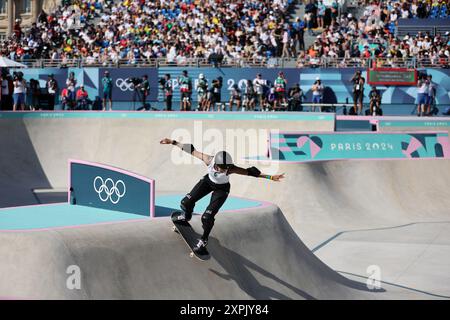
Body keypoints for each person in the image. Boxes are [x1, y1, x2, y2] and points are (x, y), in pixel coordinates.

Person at [159, 138, 285, 252]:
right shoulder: (208, 159)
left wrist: (271, 177)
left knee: (206, 218)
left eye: (226, 169)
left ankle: (204, 239)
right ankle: (186, 216)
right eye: (222, 169)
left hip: (222, 190)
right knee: (185, 202)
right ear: (216, 165)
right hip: (207, 182)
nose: (225, 171)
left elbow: (251, 173)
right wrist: (173, 142)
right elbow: (191, 150)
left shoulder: (230, 168)